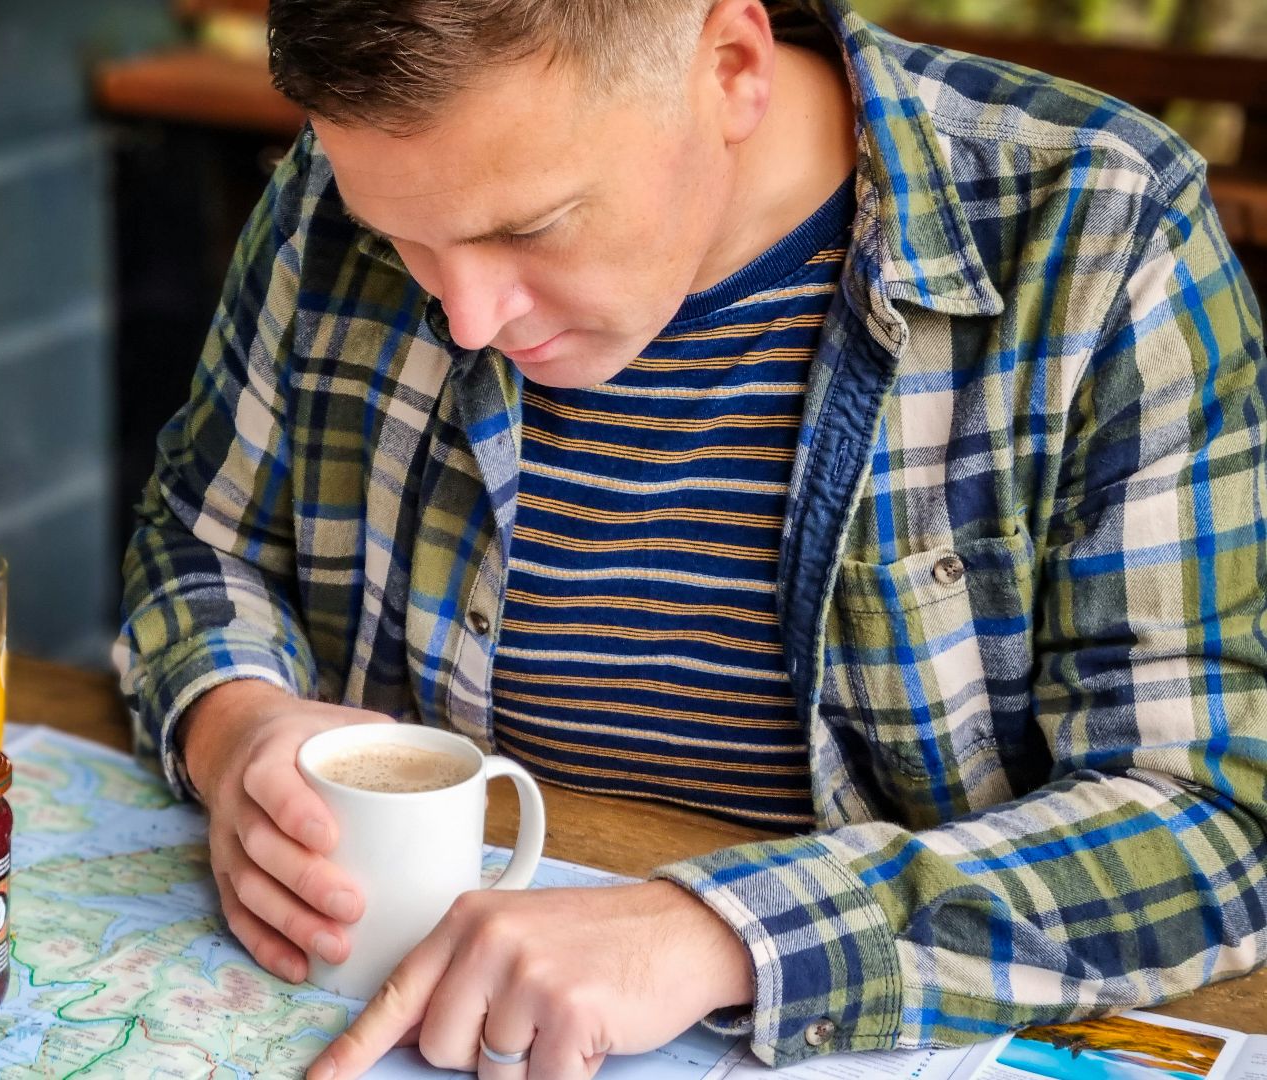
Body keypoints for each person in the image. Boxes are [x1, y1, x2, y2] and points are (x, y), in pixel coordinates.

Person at [116, 0, 1267, 1074]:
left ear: (731, 72)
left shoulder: (1100, 233)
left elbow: (1218, 819)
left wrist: (715, 935)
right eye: (403, 239)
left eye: (531, 226)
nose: (465, 316)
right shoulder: (342, 187)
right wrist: (236, 723)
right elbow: (200, 540)